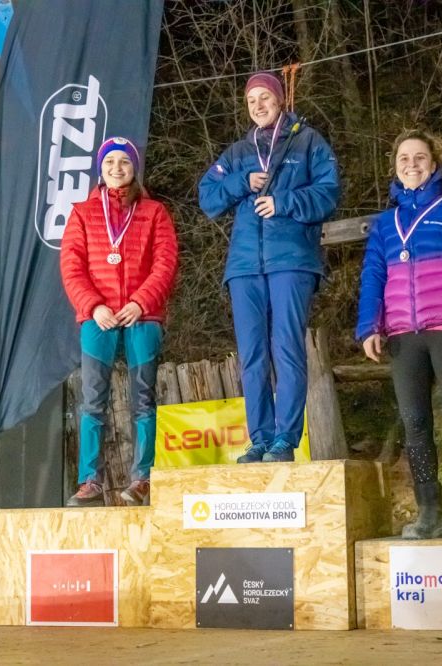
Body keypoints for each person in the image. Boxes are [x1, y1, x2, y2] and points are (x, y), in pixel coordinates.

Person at [355, 129, 442, 538]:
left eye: (419, 157)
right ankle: (430, 514)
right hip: (402, 335)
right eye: (404, 159)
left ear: (434, 164)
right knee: (414, 424)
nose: (411, 164)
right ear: (395, 168)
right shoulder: (385, 225)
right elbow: (373, 276)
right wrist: (369, 326)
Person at [198, 72, 340, 463]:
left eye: (265, 97)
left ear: (279, 99)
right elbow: (207, 198)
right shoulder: (238, 153)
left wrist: (285, 202)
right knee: (251, 355)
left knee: (287, 348)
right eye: (251, 100)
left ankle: (284, 440)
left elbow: (329, 193)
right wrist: (242, 183)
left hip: (291, 259)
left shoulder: (307, 141)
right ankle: (260, 438)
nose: (258, 105)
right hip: (244, 265)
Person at [60, 137, 179, 506]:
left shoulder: (154, 212)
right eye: (110, 162)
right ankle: (90, 481)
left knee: (143, 399)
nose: (116, 168)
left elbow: (166, 262)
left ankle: (142, 478)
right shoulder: (82, 213)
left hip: (142, 315)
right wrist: (93, 306)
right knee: (92, 401)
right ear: (101, 168)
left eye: (124, 162)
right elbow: (71, 266)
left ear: (134, 168)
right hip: (99, 317)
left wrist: (141, 302)